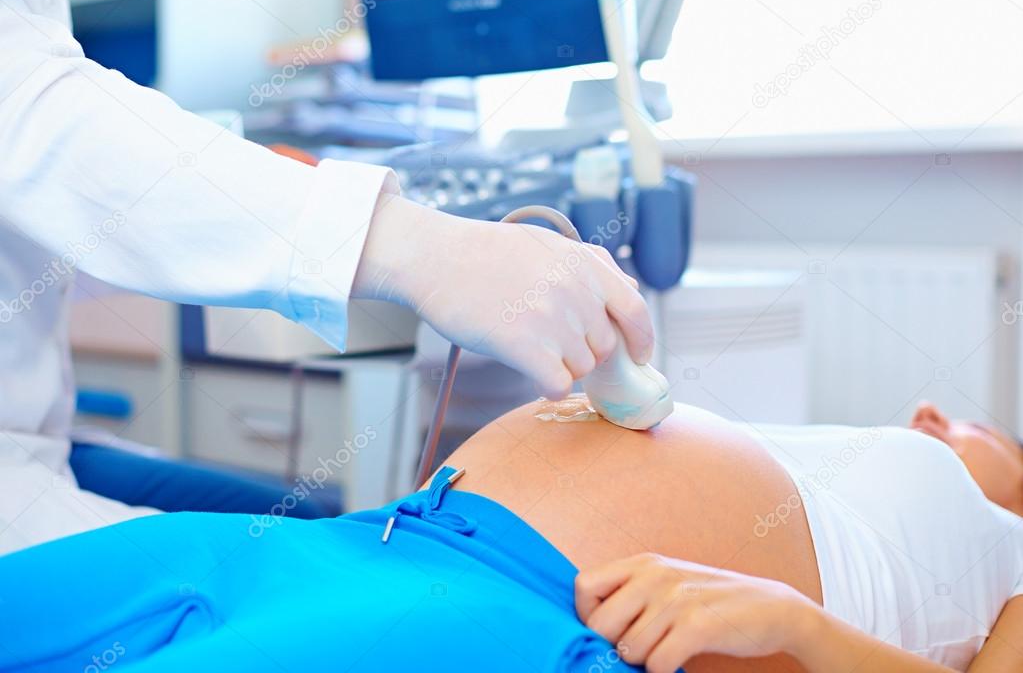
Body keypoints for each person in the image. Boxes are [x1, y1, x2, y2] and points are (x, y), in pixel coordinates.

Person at [0, 0, 652, 553]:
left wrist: (284, 204)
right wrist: (414, 246)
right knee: (310, 572)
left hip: (35, 443)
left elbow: (38, 225)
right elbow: (45, 122)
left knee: (308, 525)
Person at [1, 397, 1020, 672]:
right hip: (371, 539)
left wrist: (796, 625)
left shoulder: (1010, 566)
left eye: (984, 427)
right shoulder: (832, 447)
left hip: (517, 612)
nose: (934, 412)